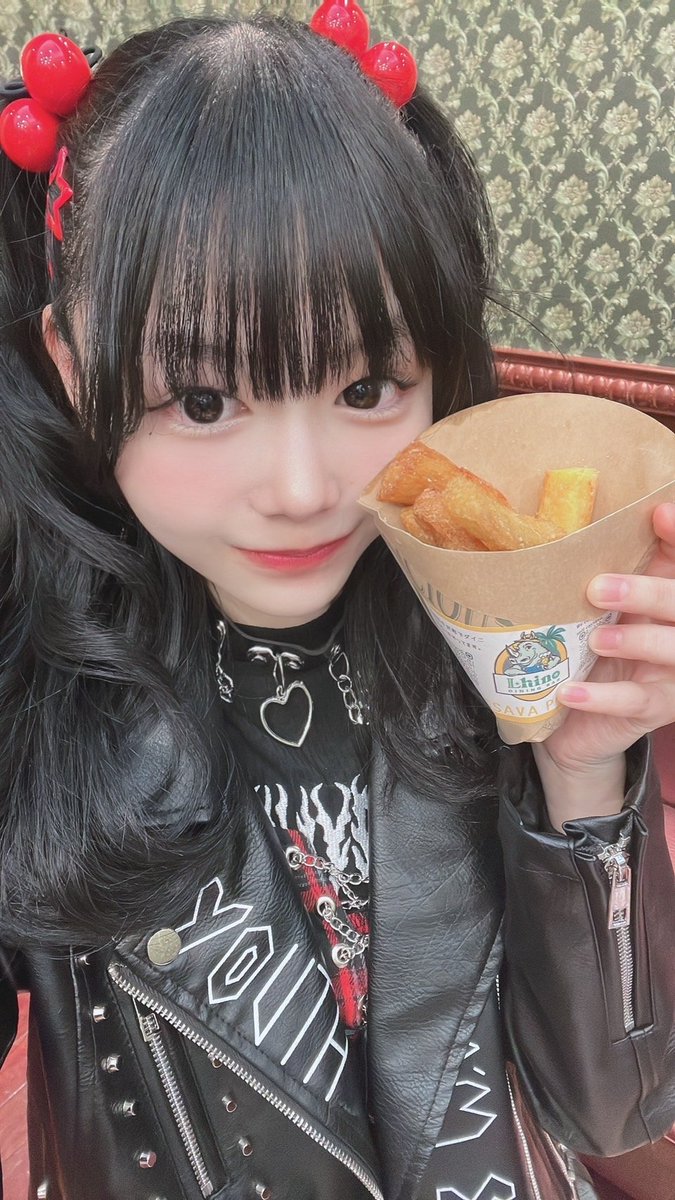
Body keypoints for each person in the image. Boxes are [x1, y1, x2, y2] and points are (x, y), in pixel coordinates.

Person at [0, 9, 673, 1200]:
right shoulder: (30, 687)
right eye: (203, 400)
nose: (307, 489)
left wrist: (583, 781)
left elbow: (613, 1106)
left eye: (366, 385)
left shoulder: (489, 638)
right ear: (69, 358)